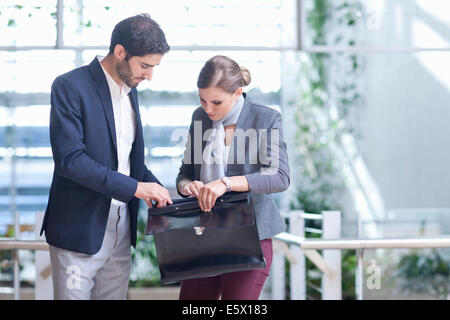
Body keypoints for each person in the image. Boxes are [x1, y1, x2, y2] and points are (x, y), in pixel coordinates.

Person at [40, 14, 172, 300]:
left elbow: (127, 162)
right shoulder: (69, 86)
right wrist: (136, 188)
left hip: (121, 226)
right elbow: (71, 160)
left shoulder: (130, 90)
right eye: (145, 66)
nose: (149, 75)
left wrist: (159, 189)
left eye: (154, 67)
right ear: (120, 52)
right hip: (80, 227)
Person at [176, 55, 290, 300]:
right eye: (202, 100)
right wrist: (190, 187)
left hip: (249, 237)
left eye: (216, 102)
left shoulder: (265, 118)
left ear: (238, 93)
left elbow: (279, 176)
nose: (208, 108)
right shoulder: (200, 117)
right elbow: (183, 176)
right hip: (203, 236)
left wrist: (224, 184)